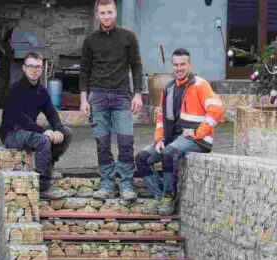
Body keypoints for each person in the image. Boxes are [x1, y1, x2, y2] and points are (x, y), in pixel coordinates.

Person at [135, 48, 224, 215]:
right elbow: (161, 118)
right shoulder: (168, 88)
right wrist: (159, 139)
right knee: (142, 158)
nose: (179, 68)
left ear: (189, 65)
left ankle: (169, 196)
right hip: (171, 138)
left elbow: (217, 110)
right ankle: (160, 197)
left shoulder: (200, 85)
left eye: (183, 64)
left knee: (169, 153)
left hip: (197, 140)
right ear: (172, 66)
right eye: (175, 64)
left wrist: (198, 133)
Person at [79, 0, 143, 201]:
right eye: (102, 13)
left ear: (115, 13)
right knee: (103, 143)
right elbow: (84, 70)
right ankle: (107, 184)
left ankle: (126, 185)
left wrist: (138, 94)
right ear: (97, 15)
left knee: (126, 142)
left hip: (121, 96)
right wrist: (83, 99)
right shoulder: (90, 41)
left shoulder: (128, 37)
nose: (106, 16)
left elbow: (137, 66)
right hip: (97, 96)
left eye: (110, 12)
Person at [0, 51, 72, 199]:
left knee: (67, 133)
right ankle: (45, 187)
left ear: (42, 69)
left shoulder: (42, 91)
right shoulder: (14, 89)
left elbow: (52, 113)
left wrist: (58, 129)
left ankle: (49, 167)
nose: (34, 70)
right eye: (31, 66)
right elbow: (19, 117)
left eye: (38, 67)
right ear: (24, 68)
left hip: (29, 131)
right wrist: (42, 131)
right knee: (42, 139)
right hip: (12, 133)